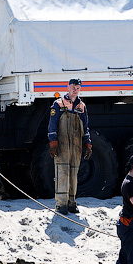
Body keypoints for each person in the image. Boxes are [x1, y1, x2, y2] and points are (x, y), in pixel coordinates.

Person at [47, 78, 92, 214]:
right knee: (62, 172)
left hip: (76, 146)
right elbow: (52, 125)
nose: (75, 90)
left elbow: (85, 127)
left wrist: (87, 143)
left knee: (73, 174)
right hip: (62, 145)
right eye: (73, 87)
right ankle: (61, 204)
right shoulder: (58, 104)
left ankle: (72, 203)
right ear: (68, 87)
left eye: (78, 88)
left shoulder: (81, 106)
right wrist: (53, 141)